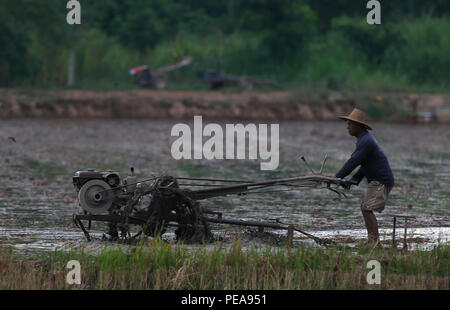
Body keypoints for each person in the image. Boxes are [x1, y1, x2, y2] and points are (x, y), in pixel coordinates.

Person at [334, 108, 394, 245]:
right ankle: (372, 241)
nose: (347, 126)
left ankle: (374, 243)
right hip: (377, 180)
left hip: (381, 181)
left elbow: (353, 162)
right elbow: (364, 165)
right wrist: (353, 180)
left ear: (358, 126)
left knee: (366, 208)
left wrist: (336, 177)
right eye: (347, 123)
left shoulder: (365, 141)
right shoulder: (364, 140)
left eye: (350, 124)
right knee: (365, 208)